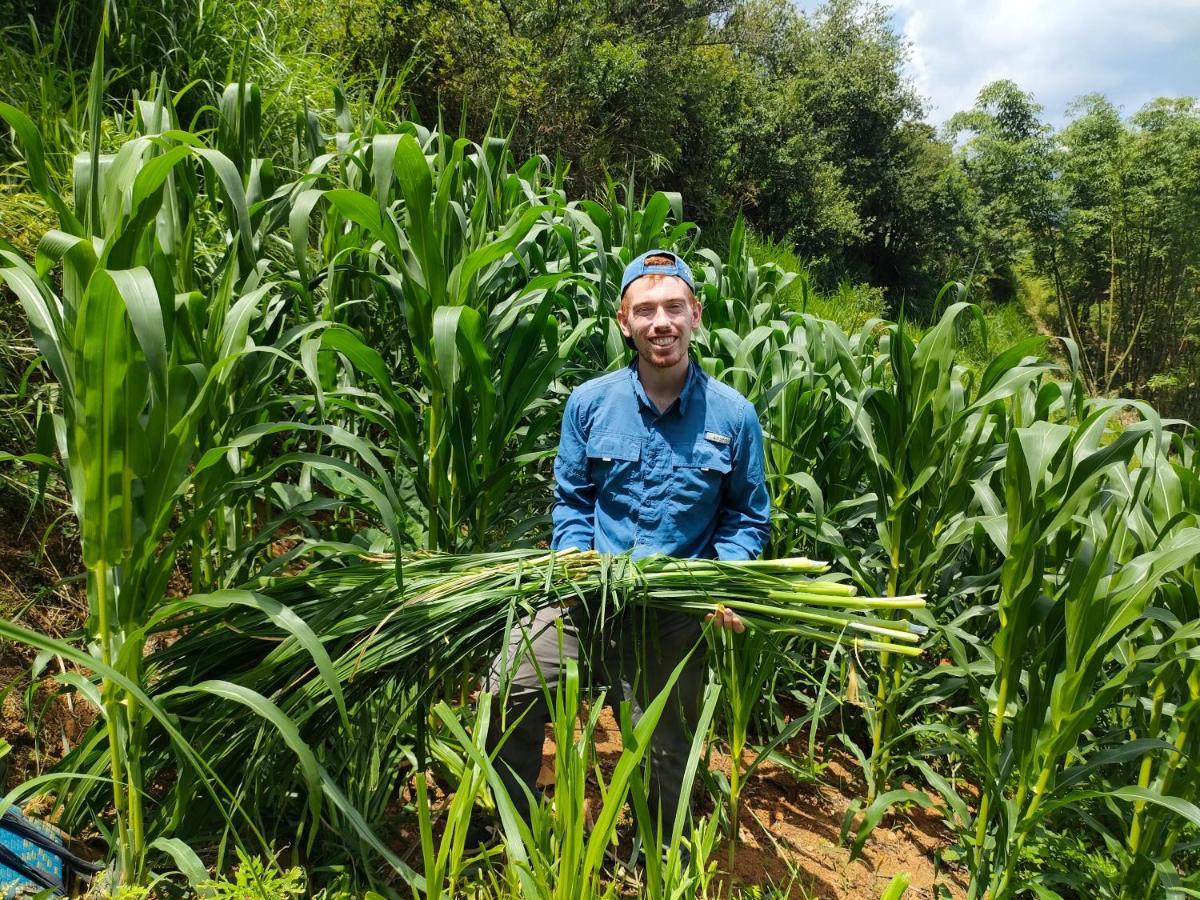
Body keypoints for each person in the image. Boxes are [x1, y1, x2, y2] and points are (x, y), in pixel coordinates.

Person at [480, 249, 771, 852]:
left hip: (674, 608)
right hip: (587, 593)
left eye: (672, 307)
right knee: (515, 679)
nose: (659, 322)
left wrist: (723, 581)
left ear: (695, 313)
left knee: (667, 744)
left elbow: (745, 516)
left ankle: (657, 854)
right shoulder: (589, 404)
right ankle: (512, 820)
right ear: (623, 320)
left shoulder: (734, 416)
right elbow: (572, 500)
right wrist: (574, 559)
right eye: (645, 310)